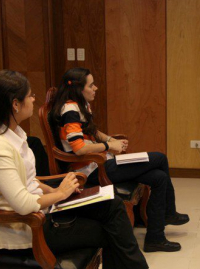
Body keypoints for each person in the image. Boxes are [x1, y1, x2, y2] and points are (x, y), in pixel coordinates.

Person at [0, 70, 148, 269]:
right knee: (111, 230)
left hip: (42, 211)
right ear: (15, 104)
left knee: (112, 205)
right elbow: (23, 204)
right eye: (30, 96)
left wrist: (55, 191)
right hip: (27, 228)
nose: (33, 99)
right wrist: (61, 193)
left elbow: (29, 180)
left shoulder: (15, 133)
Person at [50, 67, 189, 253]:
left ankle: (155, 237)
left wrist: (109, 140)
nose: (95, 88)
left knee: (159, 177)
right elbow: (79, 148)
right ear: (78, 89)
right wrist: (109, 147)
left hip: (100, 163)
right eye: (91, 85)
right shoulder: (70, 110)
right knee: (160, 158)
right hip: (90, 172)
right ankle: (169, 213)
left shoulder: (79, 104)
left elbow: (91, 132)